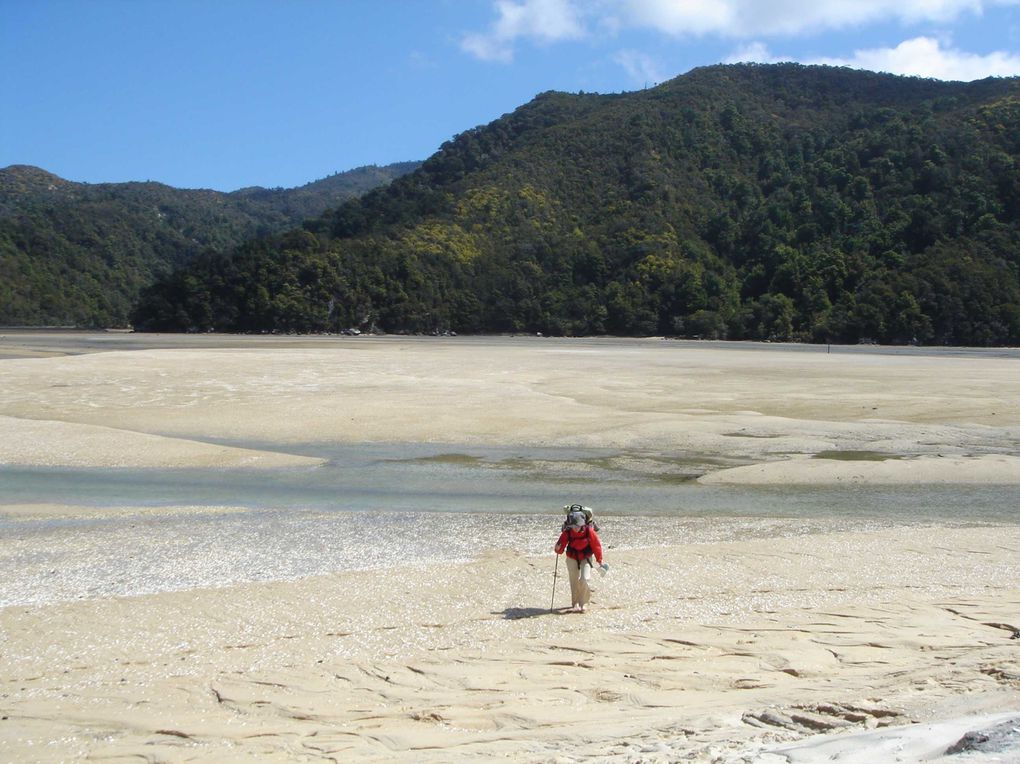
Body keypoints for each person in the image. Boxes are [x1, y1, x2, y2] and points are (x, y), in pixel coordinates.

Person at [553, 508, 606, 613]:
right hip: (571, 558)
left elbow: (596, 546)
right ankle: (575, 604)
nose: (575, 528)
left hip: (586, 558)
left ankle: (584, 603)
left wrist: (599, 560)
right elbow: (559, 549)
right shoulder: (567, 532)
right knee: (573, 581)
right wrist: (557, 549)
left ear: (582, 524)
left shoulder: (589, 531)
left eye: (577, 526)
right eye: (573, 526)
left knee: (584, 579)